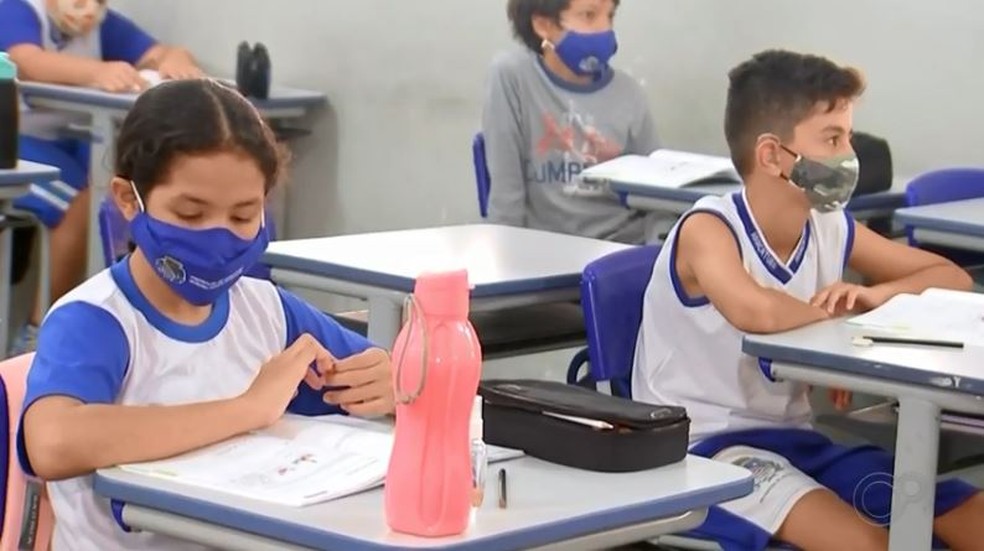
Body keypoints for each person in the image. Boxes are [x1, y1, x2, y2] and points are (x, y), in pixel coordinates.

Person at [17, 79, 395, 550]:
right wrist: (246, 409)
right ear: (129, 199)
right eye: (191, 215)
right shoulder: (97, 320)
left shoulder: (267, 310)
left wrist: (395, 384)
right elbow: (52, 442)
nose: (219, 238)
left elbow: (392, 378)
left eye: (242, 216)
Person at [631, 49, 984, 550]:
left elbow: (949, 277)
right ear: (773, 155)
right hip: (706, 452)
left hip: (800, 443)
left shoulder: (827, 224)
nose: (848, 157)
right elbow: (756, 310)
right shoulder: (708, 229)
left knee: (967, 516)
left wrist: (869, 295)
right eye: (832, 139)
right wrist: (843, 326)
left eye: (848, 137)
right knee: (871, 544)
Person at [0, 0, 203, 355]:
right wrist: (96, 72)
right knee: (87, 195)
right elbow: (26, 61)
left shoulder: (100, 26)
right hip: (15, 143)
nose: (86, 9)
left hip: (67, 140)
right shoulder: (17, 9)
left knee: (120, 176)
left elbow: (158, 51)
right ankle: (38, 334)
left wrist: (175, 59)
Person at [482, 0, 672, 244]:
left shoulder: (629, 93)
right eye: (589, 15)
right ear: (543, 24)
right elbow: (506, 201)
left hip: (619, 253)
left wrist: (660, 257)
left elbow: (660, 195)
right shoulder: (512, 78)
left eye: (610, 16)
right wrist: (506, 261)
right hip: (547, 255)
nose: (605, 28)